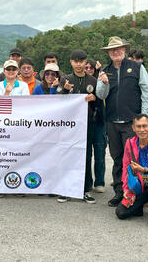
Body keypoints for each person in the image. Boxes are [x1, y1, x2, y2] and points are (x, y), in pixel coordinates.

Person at [96, 36, 148, 207]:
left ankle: (136, 194)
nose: (116, 52)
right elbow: (100, 95)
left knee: (134, 159)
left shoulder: (137, 67)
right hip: (112, 122)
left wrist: (144, 117)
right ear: (108, 53)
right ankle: (120, 193)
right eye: (112, 50)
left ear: (125, 50)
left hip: (131, 122)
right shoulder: (104, 70)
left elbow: (146, 91)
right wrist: (104, 83)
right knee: (117, 158)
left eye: (119, 49)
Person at [57, 49, 98, 204]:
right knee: (68, 155)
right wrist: (65, 91)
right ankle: (65, 189)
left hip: (87, 124)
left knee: (86, 156)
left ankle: (86, 189)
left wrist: (94, 99)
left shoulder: (93, 81)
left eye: (81, 61)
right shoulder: (65, 79)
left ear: (85, 62)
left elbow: (99, 104)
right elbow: (58, 102)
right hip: (69, 126)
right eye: (76, 61)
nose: (79, 64)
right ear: (71, 62)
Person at [86, 59, 106, 194]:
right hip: (85, 123)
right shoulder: (80, 81)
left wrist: (96, 99)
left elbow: (105, 97)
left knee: (99, 154)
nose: (88, 69)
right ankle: (87, 182)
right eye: (86, 67)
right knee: (86, 154)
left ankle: (99, 182)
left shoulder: (100, 81)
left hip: (100, 122)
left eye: (91, 67)